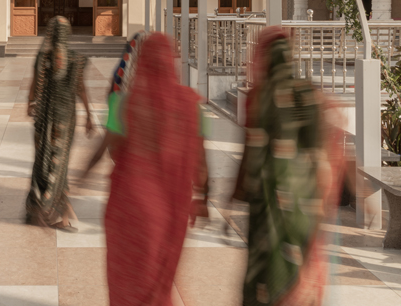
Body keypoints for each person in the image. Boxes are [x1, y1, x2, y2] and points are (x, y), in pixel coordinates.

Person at [83, 32, 208, 306]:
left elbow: (107, 146)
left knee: (128, 272)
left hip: (130, 204)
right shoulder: (191, 105)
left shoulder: (126, 104)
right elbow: (200, 161)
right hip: (170, 206)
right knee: (159, 272)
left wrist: (83, 172)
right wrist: (204, 198)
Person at [233, 27, 345, 306]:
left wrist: (236, 193)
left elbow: (251, 151)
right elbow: (323, 148)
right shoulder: (311, 93)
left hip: (268, 201)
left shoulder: (258, 96)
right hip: (304, 201)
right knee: (300, 261)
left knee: (265, 265)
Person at [26, 16, 94, 231]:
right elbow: (80, 89)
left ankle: (42, 207)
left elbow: (33, 85)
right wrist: (89, 115)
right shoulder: (76, 60)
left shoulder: (42, 58)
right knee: (59, 162)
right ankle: (52, 210)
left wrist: (30, 103)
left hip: (44, 119)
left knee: (43, 160)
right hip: (65, 120)